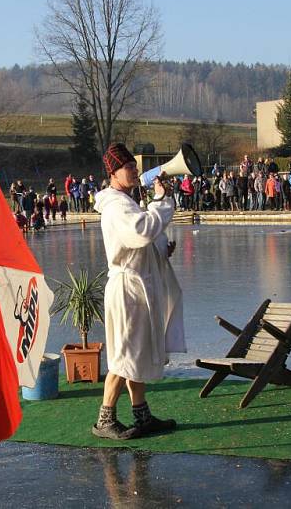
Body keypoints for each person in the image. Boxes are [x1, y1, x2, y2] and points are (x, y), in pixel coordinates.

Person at [92, 143, 185, 440]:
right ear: (113, 172)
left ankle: (141, 415)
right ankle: (105, 419)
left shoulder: (126, 202)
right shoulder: (116, 205)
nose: (134, 171)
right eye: (128, 167)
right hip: (126, 289)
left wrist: (161, 249)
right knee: (124, 354)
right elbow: (141, 231)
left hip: (136, 285)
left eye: (134, 166)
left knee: (138, 353)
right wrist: (161, 200)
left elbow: (141, 239)